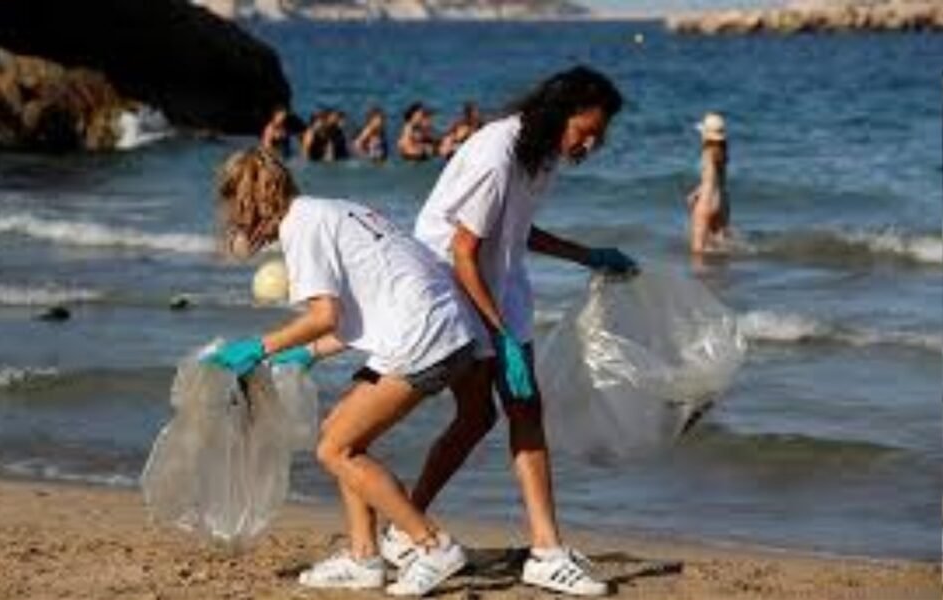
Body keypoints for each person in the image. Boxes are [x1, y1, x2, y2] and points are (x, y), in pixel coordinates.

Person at [388, 65, 638, 597]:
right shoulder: (496, 155)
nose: (591, 145)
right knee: (494, 410)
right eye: (586, 132)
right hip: (450, 285)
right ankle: (536, 549)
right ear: (560, 113)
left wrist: (586, 255)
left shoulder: (539, 153)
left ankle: (526, 546)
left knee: (504, 411)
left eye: (599, 137)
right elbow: (462, 250)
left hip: (497, 280)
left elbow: (516, 230)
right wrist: (501, 337)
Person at [206, 147, 474, 596]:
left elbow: (324, 316)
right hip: (442, 325)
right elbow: (361, 311)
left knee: (337, 450)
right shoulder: (328, 210)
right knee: (341, 432)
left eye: (234, 208)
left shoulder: (300, 228)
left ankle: (431, 545)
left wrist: (259, 347)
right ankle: (364, 557)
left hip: (423, 336)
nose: (233, 220)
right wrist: (308, 353)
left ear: (247, 201)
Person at [687, 112, 730, 254]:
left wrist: (694, 194)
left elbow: (708, 180)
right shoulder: (723, 153)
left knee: (697, 251)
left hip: (706, 201)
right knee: (721, 247)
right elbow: (719, 179)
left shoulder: (707, 152)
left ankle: (700, 269)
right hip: (722, 202)